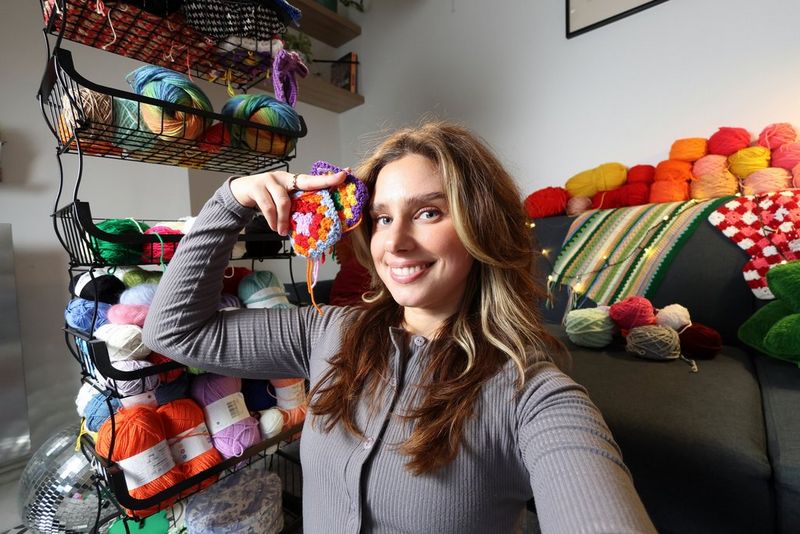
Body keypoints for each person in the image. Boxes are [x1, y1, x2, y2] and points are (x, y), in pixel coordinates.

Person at [143, 121, 655, 533]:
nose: (396, 243)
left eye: (429, 212)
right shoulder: (330, 331)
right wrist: (231, 199)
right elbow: (171, 332)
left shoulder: (533, 398)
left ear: (482, 227)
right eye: (383, 218)